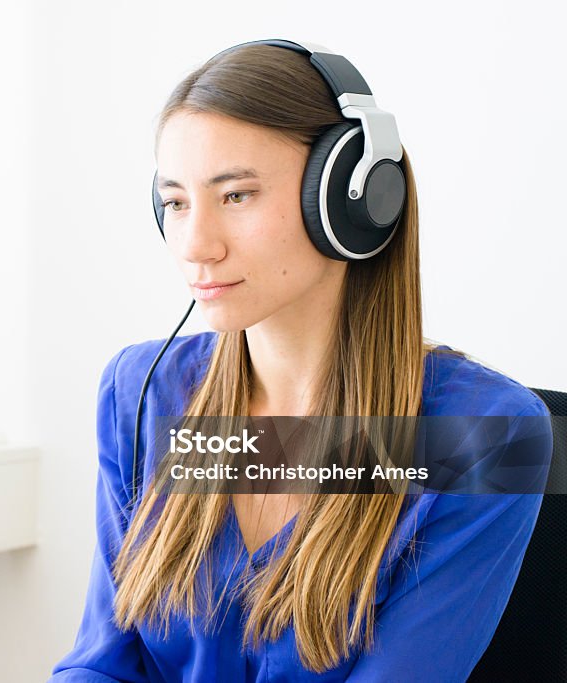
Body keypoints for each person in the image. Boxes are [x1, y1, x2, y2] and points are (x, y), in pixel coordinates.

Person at [49, 41, 554, 682]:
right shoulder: (145, 394)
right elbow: (102, 665)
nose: (196, 245)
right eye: (176, 202)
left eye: (236, 196)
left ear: (354, 200)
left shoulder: (481, 433)